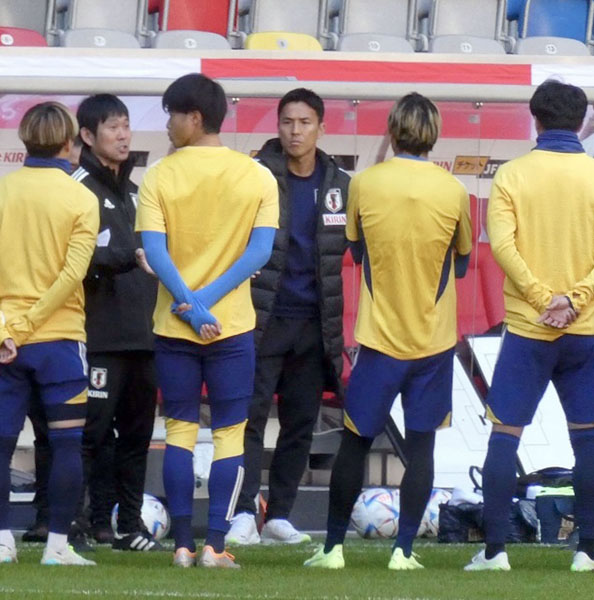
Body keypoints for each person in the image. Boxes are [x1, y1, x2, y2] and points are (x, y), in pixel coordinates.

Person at [304, 92, 472, 570]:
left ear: (393, 131)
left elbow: (356, 251)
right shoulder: (453, 189)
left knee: (355, 440)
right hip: (433, 341)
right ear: (434, 133)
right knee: (422, 445)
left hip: (379, 340)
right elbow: (461, 264)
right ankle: (404, 551)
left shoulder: (364, 183)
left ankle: (333, 549)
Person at [136, 73, 279, 568]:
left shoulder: (159, 175)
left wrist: (191, 308)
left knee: (178, 430)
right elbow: (259, 252)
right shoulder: (257, 175)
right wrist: (208, 304)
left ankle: (181, 544)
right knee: (229, 435)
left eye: (172, 114)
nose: (168, 124)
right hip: (231, 325)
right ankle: (215, 545)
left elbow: (155, 252)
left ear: (195, 118)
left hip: (174, 324)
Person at [464, 80, 594, 573]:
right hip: (585, 328)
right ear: (581, 123)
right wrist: (574, 300)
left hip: (529, 328)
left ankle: (495, 552)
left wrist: (544, 299)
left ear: (535, 120)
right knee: (588, 440)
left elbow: (502, 246)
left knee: (505, 435)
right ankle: (587, 551)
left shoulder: (513, 174)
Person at [225, 88, 350, 546]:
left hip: (314, 324)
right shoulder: (254, 174)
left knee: (299, 424)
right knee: (250, 419)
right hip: (262, 318)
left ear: (321, 127)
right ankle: (242, 512)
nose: (295, 132)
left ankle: (279, 514)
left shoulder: (339, 184)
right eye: (287, 122)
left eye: (304, 123)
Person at [0, 102, 99, 566]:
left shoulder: (3, 189)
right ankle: (57, 546)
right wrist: (28, 324)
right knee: (66, 443)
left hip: (5, 339)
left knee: (2, 444)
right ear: (68, 142)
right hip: (60, 340)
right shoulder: (81, 197)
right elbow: (71, 274)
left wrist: (11, 326)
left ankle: (3, 541)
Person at [72, 94, 159, 551]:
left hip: (144, 335)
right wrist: (125, 257)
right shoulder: (76, 188)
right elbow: (74, 258)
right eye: (112, 127)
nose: (123, 135)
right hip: (100, 336)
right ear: (88, 136)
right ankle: (79, 521)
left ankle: (128, 525)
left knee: (138, 436)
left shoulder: (137, 191)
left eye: (126, 125)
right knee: (92, 433)